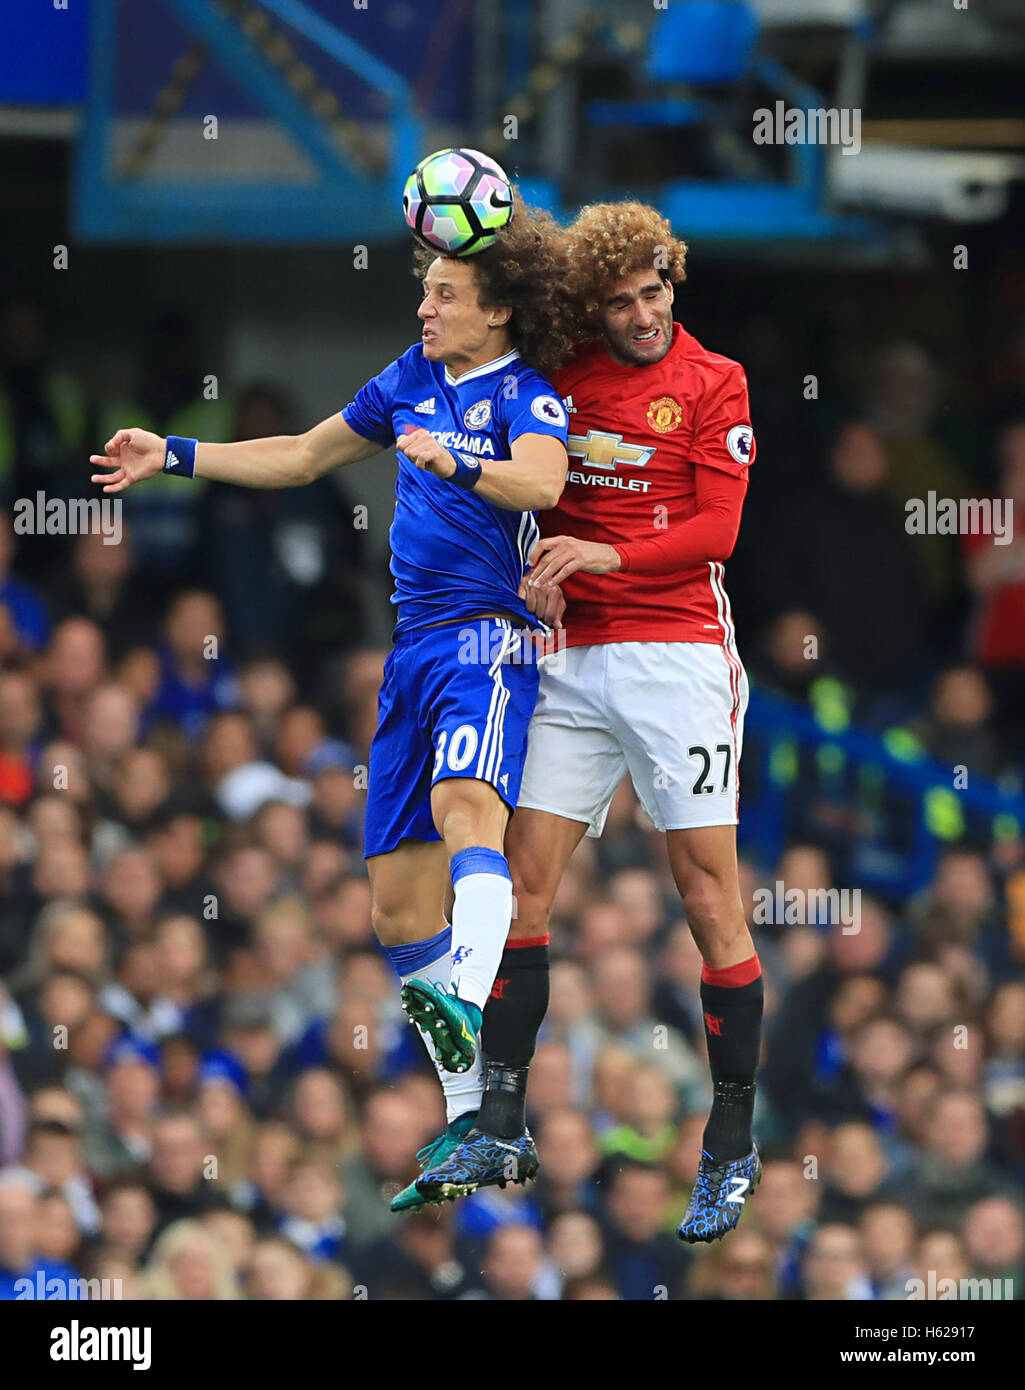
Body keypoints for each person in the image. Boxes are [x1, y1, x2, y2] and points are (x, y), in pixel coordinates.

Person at [89, 191, 576, 1214]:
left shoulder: (522, 391)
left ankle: (463, 989)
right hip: (404, 656)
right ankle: (474, 1121)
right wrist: (174, 453)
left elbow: (540, 483)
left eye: (446, 294)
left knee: (463, 813)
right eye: (425, 291)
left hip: (486, 642)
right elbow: (304, 454)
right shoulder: (406, 379)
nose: (426, 309)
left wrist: (458, 461)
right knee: (395, 906)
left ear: (495, 312)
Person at [417, 202, 763, 1245]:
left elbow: (720, 527)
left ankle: (730, 1146)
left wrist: (608, 556)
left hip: (677, 657)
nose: (643, 314)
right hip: (566, 658)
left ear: (673, 280)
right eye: (619, 300)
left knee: (705, 895)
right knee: (523, 882)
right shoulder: (554, 368)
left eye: (653, 291)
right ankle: (502, 1123)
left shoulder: (715, 383)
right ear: (589, 305)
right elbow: (533, 483)